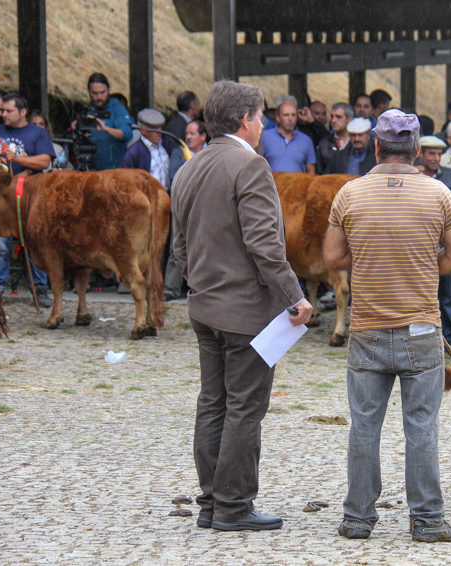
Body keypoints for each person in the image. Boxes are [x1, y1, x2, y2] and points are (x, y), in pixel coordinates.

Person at [171, 79, 313, 532]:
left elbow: (180, 248)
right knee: (244, 408)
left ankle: (212, 503)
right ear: (243, 121)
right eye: (261, 115)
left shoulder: (189, 168)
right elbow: (265, 246)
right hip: (247, 312)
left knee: (213, 403)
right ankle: (233, 506)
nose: (265, 123)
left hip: (204, 306)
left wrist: (203, 285)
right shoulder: (249, 166)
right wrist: (296, 296)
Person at [323, 109, 451, 543]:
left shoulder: (350, 193)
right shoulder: (439, 193)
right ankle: (427, 520)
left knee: (364, 426)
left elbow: (332, 258)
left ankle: (358, 519)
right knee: (421, 428)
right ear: (418, 151)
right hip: (421, 329)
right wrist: (422, 261)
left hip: (367, 329)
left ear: (377, 147)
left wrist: (369, 258)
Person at [0, 92, 55, 306]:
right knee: (0, 244)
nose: (3, 114)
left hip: (30, 198)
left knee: (36, 241)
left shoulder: (37, 133)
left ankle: (40, 288)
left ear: (23, 112)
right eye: (2, 110)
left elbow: (44, 161)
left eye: (8, 111)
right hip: (2, 198)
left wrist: (18, 159)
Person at [420, 135, 451, 345]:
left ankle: (450, 338)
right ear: (421, 154)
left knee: (447, 295)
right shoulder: (415, 175)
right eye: (431, 154)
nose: (435, 158)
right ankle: (427, 338)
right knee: (424, 293)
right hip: (421, 242)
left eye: (438, 154)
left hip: (444, 241)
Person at [165, 120, 209, 301]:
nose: (188, 137)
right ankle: (171, 289)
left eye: (193, 134)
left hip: (206, 208)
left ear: (203, 136)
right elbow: (174, 176)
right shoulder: (177, 153)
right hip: (182, 205)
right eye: (187, 133)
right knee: (177, 248)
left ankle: (202, 289)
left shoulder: (211, 153)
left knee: (205, 249)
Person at [82, 73, 133, 171]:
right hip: (90, 171)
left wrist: (106, 129)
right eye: (94, 93)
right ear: (89, 92)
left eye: (103, 92)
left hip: (113, 172)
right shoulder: (87, 112)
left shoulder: (118, 110)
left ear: (109, 90)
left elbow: (127, 134)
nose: (99, 97)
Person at [260, 96, 316, 173]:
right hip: (272, 184)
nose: (290, 119)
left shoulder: (306, 140)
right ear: (278, 117)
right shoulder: (264, 137)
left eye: (293, 115)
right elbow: (257, 167)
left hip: (297, 184)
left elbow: (311, 172)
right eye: (286, 115)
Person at [120, 108, 171, 191]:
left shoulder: (165, 145)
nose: (158, 132)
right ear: (143, 130)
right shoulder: (134, 152)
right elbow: (124, 179)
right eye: (154, 129)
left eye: (160, 128)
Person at [317, 103, 353, 174]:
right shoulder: (325, 143)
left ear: (350, 119)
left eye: (338, 117)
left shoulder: (358, 141)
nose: (333, 121)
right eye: (332, 116)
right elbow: (320, 172)